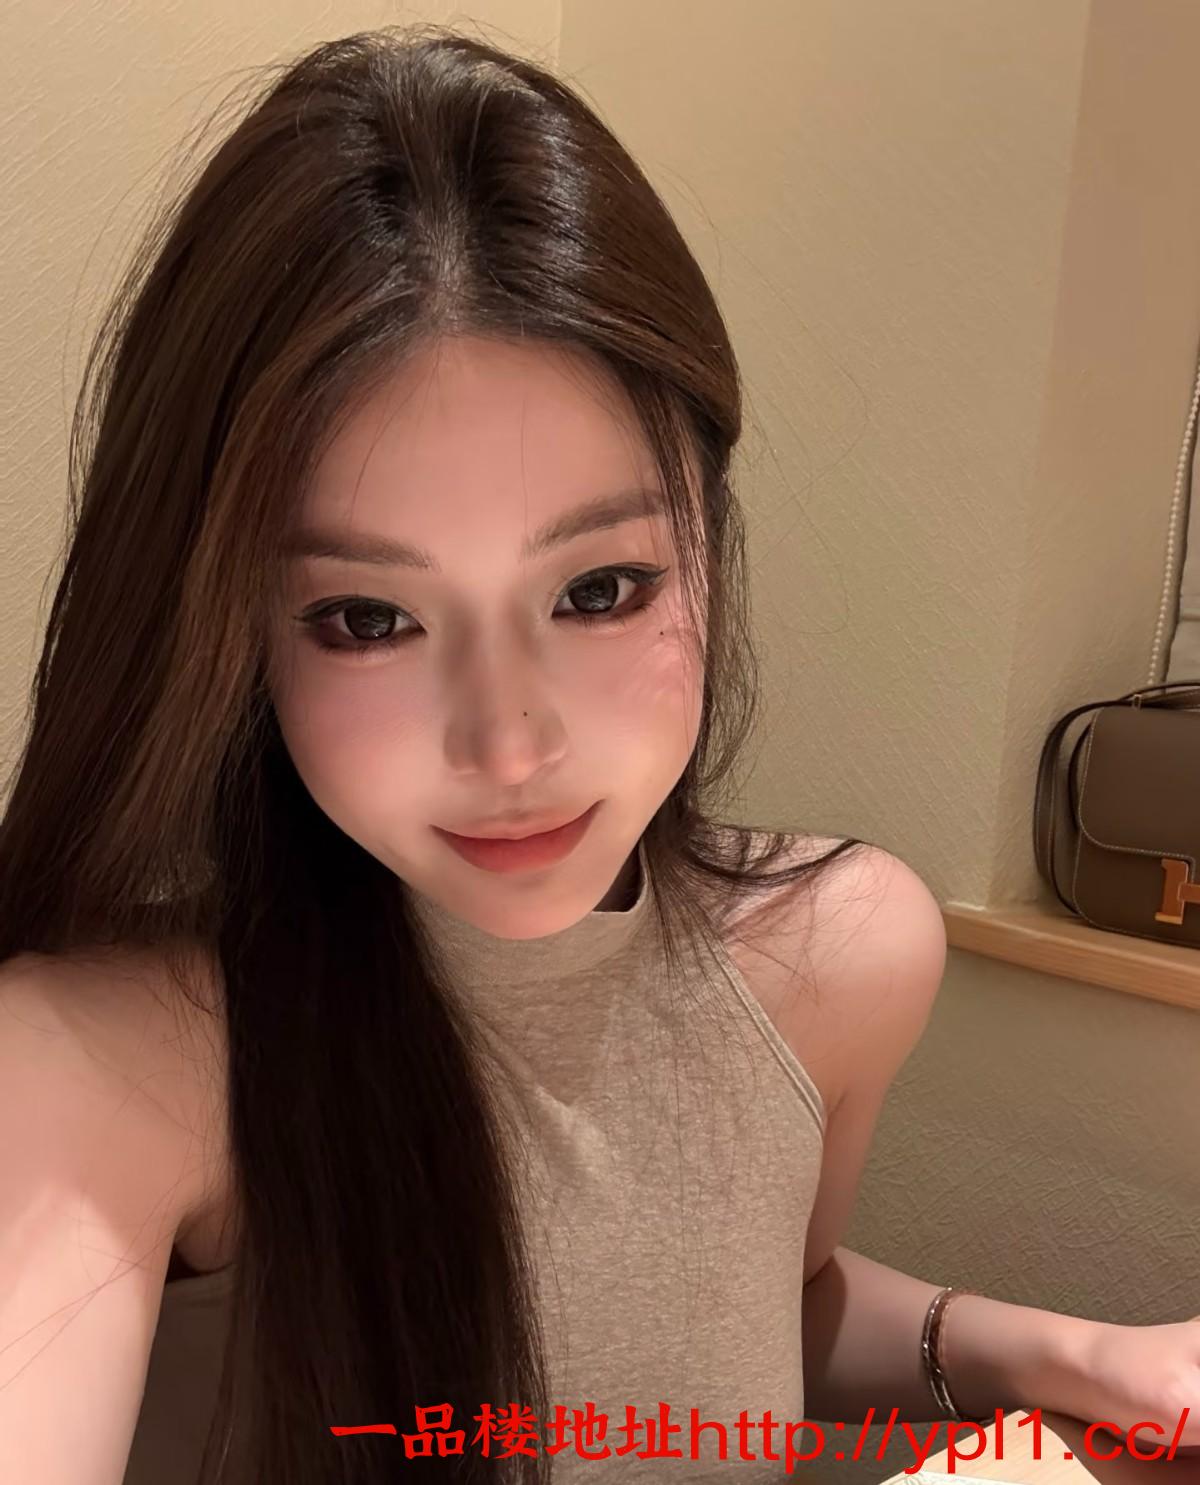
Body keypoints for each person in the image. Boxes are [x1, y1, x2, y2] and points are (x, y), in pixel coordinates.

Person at [1, 24, 1196, 1485]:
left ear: (710, 539)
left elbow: (740, 1317)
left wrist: (1058, 1353)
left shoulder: (835, 954)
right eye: (368, 618)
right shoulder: (109, 1063)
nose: (511, 744)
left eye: (601, 589)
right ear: (231, 629)